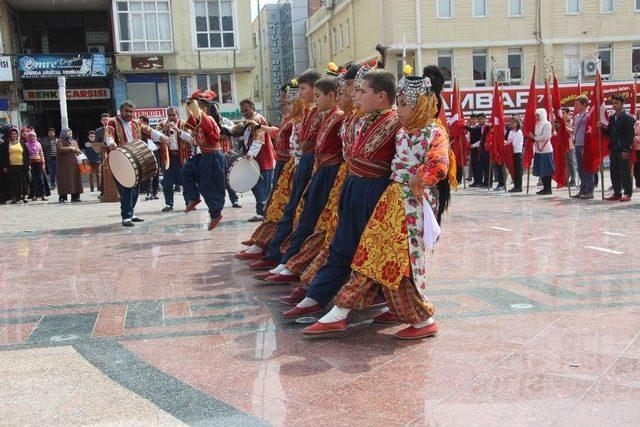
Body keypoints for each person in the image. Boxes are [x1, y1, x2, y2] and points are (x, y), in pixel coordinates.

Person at [301, 66, 450, 339]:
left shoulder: (432, 132)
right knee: (380, 258)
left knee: (381, 257)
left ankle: (344, 311)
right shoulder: (405, 130)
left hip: (411, 205)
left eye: (405, 105)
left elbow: (440, 166)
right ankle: (413, 317)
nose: (400, 110)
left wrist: (419, 179)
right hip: (393, 199)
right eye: (401, 104)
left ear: (422, 105)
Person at [282, 68, 402, 320]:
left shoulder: (396, 123)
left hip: (376, 191)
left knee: (370, 252)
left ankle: (343, 305)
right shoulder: (361, 120)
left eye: (361, 91)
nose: (355, 95)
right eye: (354, 89)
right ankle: (317, 295)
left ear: (381, 96)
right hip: (352, 184)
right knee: (341, 244)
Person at [278, 64, 363, 305]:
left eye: (356, 90)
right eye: (350, 89)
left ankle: (324, 290)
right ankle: (311, 282)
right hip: (336, 176)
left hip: (358, 181)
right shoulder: (341, 118)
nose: (351, 95)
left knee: (344, 238)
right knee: (318, 224)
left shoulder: (342, 117)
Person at [262, 76, 346, 284]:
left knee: (315, 219)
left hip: (331, 171)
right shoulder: (323, 115)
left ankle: (298, 265)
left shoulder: (339, 117)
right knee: (303, 212)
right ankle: (289, 260)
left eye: (312, 93)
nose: (305, 96)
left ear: (332, 96)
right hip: (317, 166)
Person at [248, 69, 323, 270]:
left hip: (311, 166)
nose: (290, 101)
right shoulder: (302, 116)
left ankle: (284, 257)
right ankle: (276, 253)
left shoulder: (323, 115)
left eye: (302, 91)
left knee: (298, 211)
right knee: (285, 208)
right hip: (297, 164)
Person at [235, 83, 304, 260]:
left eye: (285, 97)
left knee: (272, 199)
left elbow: (261, 140)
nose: (282, 100)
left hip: (272, 163)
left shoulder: (298, 117)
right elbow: (276, 133)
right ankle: (266, 242)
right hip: (284, 164)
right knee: (276, 204)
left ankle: (273, 247)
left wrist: (250, 155)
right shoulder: (290, 117)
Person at [104, 101, 169, 226]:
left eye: (131, 111)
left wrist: (161, 136)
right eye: (126, 111)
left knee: (135, 189)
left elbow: (149, 131)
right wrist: (110, 142)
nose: (129, 114)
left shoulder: (136, 123)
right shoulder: (112, 122)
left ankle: (131, 213)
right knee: (127, 189)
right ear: (121, 110)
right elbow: (108, 135)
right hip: (119, 161)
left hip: (135, 161)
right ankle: (126, 217)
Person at [181, 90, 226, 230]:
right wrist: (188, 104)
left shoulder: (208, 119)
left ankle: (215, 214)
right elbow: (191, 118)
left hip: (213, 157)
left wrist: (193, 103)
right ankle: (193, 198)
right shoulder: (199, 121)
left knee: (208, 187)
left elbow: (198, 114)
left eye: (195, 107)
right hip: (204, 156)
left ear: (204, 108)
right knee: (186, 171)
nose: (192, 110)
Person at [236, 99, 276, 222]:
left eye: (246, 110)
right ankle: (263, 211)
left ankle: (262, 212)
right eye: (242, 111)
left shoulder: (258, 119)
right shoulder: (248, 121)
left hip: (264, 160)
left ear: (253, 108)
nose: (244, 113)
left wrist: (250, 154)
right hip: (256, 160)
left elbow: (259, 139)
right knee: (256, 185)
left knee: (261, 187)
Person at [598, 94, 635, 201]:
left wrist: (626, 149)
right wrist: (602, 128)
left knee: (625, 172)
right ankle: (617, 192)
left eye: (616, 103)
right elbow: (609, 133)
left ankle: (627, 193)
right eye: (613, 103)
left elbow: (630, 135)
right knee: (614, 172)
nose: (614, 105)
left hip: (622, 149)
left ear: (622, 104)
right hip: (613, 149)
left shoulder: (627, 118)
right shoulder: (612, 117)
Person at [159, 106, 191, 212]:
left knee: (186, 181)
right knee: (167, 182)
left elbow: (190, 138)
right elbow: (154, 138)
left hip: (182, 157)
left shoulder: (184, 124)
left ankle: (189, 203)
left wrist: (177, 130)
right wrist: (164, 130)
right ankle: (169, 204)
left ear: (177, 115)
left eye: (174, 115)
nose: (172, 117)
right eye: (170, 115)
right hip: (168, 157)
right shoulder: (162, 124)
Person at [569, 95, 593, 199]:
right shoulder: (576, 116)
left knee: (587, 168)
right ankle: (583, 189)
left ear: (584, 104)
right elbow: (574, 131)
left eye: (577, 104)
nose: (575, 106)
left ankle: (589, 191)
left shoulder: (588, 115)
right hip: (577, 145)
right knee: (580, 168)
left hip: (585, 145)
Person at [528, 108, 554, 195]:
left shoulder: (547, 124)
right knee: (542, 170)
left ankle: (548, 189)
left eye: (538, 115)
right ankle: (544, 188)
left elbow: (545, 136)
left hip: (546, 150)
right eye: (536, 115)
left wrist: (534, 138)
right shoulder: (537, 124)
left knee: (547, 170)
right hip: (538, 150)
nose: (537, 117)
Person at [0, 128, 29, 203]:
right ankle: (15, 197)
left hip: (22, 165)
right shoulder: (7, 144)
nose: (13, 135)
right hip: (11, 165)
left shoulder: (22, 143)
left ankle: (24, 196)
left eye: (15, 134)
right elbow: (3, 156)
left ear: (17, 134)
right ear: (10, 135)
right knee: (13, 182)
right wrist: (4, 166)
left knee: (23, 181)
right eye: (12, 134)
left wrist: (28, 165)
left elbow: (26, 154)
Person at [56, 128, 84, 203]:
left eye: (70, 132)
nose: (69, 134)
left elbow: (77, 150)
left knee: (75, 180)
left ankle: (75, 197)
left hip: (74, 165)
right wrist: (70, 148)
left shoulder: (74, 141)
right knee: (64, 180)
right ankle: (63, 197)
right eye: (68, 132)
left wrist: (77, 150)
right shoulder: (60, 141)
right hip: (63, 166)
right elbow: (60, 149)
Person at [138, 115, 161, 201]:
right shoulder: (139, 132)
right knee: (147, 173)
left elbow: (159, 139)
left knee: (156, 172)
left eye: (141, 122)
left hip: (154, 151)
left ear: (146, 123)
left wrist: (158, 145)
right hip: (145, 152)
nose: (139, 124)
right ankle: (148, 193)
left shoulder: (153, 131)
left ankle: (154, 193)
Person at [26, 131, 48, 201]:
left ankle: (43, 195)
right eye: (31, 136)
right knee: (33, 180)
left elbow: (41, 154)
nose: (32, 137)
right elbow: (26, 156)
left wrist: (43, 164)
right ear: (28, 137)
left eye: (34, 136)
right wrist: (28, 165)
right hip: (31, 164)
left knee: (41, 180)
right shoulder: (26, 145)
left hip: (39, 163)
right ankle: (34, 195)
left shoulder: (38, 144)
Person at [505, 116, 524, 193]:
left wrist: (508, 144)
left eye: (513, 123)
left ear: (517, 123)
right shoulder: (510, 132)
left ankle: (519, 187)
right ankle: (515, 185)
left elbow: (514, 143)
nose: (512, 124)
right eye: (511, 123)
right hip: (511, 153)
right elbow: (508, 141)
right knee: (513, 170)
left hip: (517, 153)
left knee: (518, 171)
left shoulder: (519, 132)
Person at [562, 107, 577, 187]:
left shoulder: (571, 122)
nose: (563, 115)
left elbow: (572, 132)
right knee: (565, 163)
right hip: (564, 145)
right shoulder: (562, 122)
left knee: (571, 163)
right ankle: (567, 179)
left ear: (568, 113)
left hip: (570, 145)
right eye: (562, 113)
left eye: (564, 113)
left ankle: (573, 180)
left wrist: (564, 126)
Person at [633, 110, 640, 189]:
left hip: (639, 148)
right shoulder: (634, 124)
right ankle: (637, 182)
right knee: (635, 167)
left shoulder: (638, 124)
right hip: (633, 149)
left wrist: (635, 138)